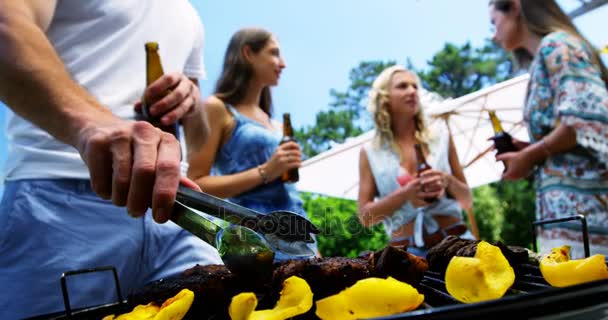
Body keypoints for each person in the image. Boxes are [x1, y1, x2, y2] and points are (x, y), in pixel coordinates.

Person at [0, 1, 222, 318]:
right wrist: (91, 125)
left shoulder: (189, 15)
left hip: (176, 213)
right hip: (59, 206)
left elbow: (199, 140)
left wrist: (190, 103)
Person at [488, 0, 608, 258]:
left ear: (514, 6)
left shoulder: (557, 45)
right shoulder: (547, 54)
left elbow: (586, 119)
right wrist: (529, 150)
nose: (493, 34)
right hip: (574, 223)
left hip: (590, 226)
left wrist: (530, 156)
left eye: (494, 22)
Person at [187, 27, 318, 260]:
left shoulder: (275, 124)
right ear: (248, 53)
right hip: (252, 244)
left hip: (298, 240)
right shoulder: (216, 108)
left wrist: (315, 249)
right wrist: (267, 171)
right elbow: (197, 185)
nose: (283, 63)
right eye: (274, 53)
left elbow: (291, 194)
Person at [357, 65, 474, 257]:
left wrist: (446, 180)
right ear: (384, 97)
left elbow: (467, 200)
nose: (412, 91)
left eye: (415, 86)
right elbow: (365, 217)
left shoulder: (441, 136)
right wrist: (405, 195)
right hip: (406, 255)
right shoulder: (370, 152)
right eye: (402, 86)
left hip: (457, 245)